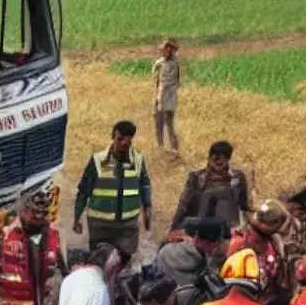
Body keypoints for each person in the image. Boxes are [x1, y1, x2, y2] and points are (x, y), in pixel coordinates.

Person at [73, 121, 152, 260]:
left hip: (128, 226)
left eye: (126, 140)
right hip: (100, 226)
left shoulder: (138, 160)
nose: (122, 144)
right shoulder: (98, 160)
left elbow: (144, 184)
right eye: (119, 139)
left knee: (125, 267)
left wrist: (147, 207)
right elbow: (83, 190)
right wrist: (77, 216)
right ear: (113, 138)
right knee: (100, 263)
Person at [228, 200, 292, 305]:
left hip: (270, 302)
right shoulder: (240, 241)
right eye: (277, 226)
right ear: (267, 223)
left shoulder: (272, 240)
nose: (278, 230)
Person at [171, 141, 251, 233]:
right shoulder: (197, 178)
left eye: (222, 157)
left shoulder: (237, 178)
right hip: (201, 226)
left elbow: (243, 206)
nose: (218, 160)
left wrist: (245, 228)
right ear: (209, 158)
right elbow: (184, 204)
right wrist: (174, 229)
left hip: (230, 228)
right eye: (215, 156)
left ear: (228, 159)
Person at [152, 40, 181, 152]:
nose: (165, 51)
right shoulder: (162, 62)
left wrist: (158, 100)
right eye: (164, 49)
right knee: (163, 122)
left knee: (165, 121)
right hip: (165, 95)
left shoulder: (171, 64)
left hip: (166, 96)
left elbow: (164, 83)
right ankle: (163, 147)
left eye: (168, 49)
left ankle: (169, 148)